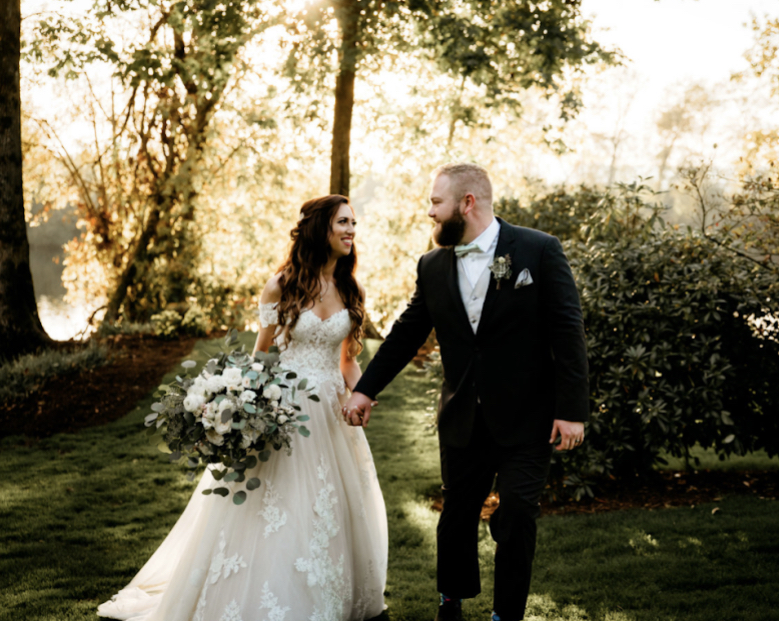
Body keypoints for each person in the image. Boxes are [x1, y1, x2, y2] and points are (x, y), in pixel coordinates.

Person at [98, 195, 388, 621]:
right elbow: (261, 357)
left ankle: (330, 593)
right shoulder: (282, 286)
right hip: (286, 411)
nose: (351, 231)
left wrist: (364, 395)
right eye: (343, 222)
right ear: (319, 229)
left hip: (332, 414)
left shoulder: (351, 287)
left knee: (331, 508)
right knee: (279, 506)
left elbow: (347, 360)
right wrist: (245, 404)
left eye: (354, 223)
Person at [343, 163, 589, 621]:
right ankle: (450, 601)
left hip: (526, 417)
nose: (430, 212)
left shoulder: (537, 250)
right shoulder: (432, 265)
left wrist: (572, 410)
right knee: (456, 515)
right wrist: (365, 390)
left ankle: (506, 615)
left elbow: (567, 332)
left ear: (467, 203)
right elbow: (405, 334)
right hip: (462, 417)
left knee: (516, 512)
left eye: (436, 202)